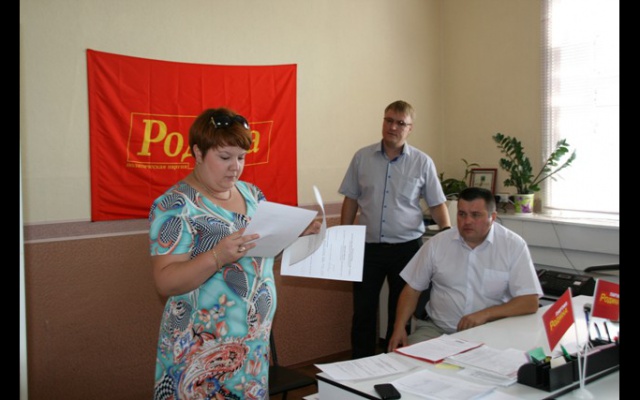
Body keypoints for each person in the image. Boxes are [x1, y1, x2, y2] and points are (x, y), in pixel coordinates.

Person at [149, 107, 320, 399]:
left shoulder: (252, 195)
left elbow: (260, 257)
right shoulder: (175, 205)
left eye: (241, 157)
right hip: (201, 349)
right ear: (198, 152)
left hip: (251, 346)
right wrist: (217, 256)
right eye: (225, 157)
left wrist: (295, 237)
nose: (235, 167)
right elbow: (165, 282)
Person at [338, 100, 451, 359]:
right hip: (367, 249)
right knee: (363, 311)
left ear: (410, 128)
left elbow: (437, 203)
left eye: (401, 123)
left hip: (407, 250)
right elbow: (351, 199)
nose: (393, 127)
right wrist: (343, 237)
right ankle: (360, 364)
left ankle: (393, 363)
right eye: (389, 120)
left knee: (400, 313)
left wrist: (447, 235)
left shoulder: (422, 162)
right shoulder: (362, 157)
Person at [387, 187, 543, 351]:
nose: (467, 221)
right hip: (437, 331)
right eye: (462, 214)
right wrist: (399, 327)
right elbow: (412, 289)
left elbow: (530, 301)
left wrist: (486, 314)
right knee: (406, 360)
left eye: (475, 215)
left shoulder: (513, 245)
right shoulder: (437, 243)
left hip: (489, 331)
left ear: (492, 217)